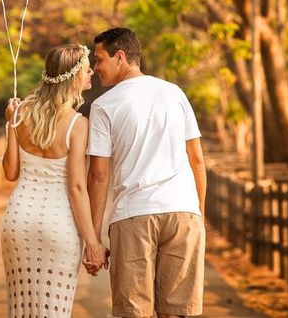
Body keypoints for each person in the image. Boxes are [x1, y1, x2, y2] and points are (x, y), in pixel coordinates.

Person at [85, 27, 206, 318]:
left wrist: (94, 239)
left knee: (133, 313)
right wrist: (198, 215)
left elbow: (99, 176)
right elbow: (197, 160)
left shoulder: (104, 106)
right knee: (178, 311)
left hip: (133, 214)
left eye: (100, 59)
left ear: (120, 57)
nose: (95, 67)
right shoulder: (174, 93)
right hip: (183, 212)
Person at [1, 44, 108, 318]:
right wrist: (93, 243)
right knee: (54, 309)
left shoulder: (20, 112)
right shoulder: (77, 124)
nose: (92, 73)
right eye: (86, 69)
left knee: (21, 308)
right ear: (72, 77)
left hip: (19, 221)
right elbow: (76, 188)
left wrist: (9, 125)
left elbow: (11, 172)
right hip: (58, 224)